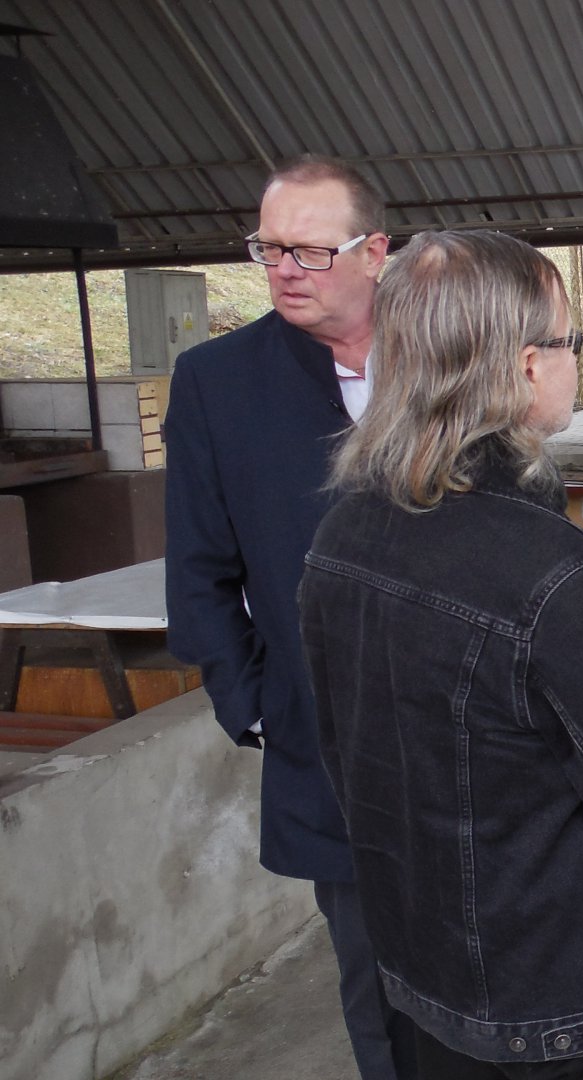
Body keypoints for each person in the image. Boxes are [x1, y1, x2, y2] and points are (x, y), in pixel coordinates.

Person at [298, 229, 583, 1079]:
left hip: (428, 992)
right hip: (576, 1020)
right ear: (528, 366)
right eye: (572, 341)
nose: (577, 359)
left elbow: (352, 768)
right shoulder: (564, 583)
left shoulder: (340, 537)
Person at [163, 156, 414, 1079]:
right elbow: (198, 566)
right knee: (375, 982)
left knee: (501, 956)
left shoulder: (445, 355)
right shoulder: (218, 381)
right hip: (327, 736)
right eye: (269, 249)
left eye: (309, 250)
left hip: (473, 728)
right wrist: (254, 705)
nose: (283, 270)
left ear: (375, 252)